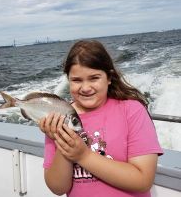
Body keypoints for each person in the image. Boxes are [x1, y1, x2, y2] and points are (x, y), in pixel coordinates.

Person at [39, 40, 163, 197]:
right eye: (76, 80)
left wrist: (83, 156)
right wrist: (62, 143)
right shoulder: (60, 118)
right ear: (68, 80)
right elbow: (58, 188)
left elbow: (143, 181)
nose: (85, 88)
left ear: (109, 77)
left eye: (94, 78)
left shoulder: (131, 110)